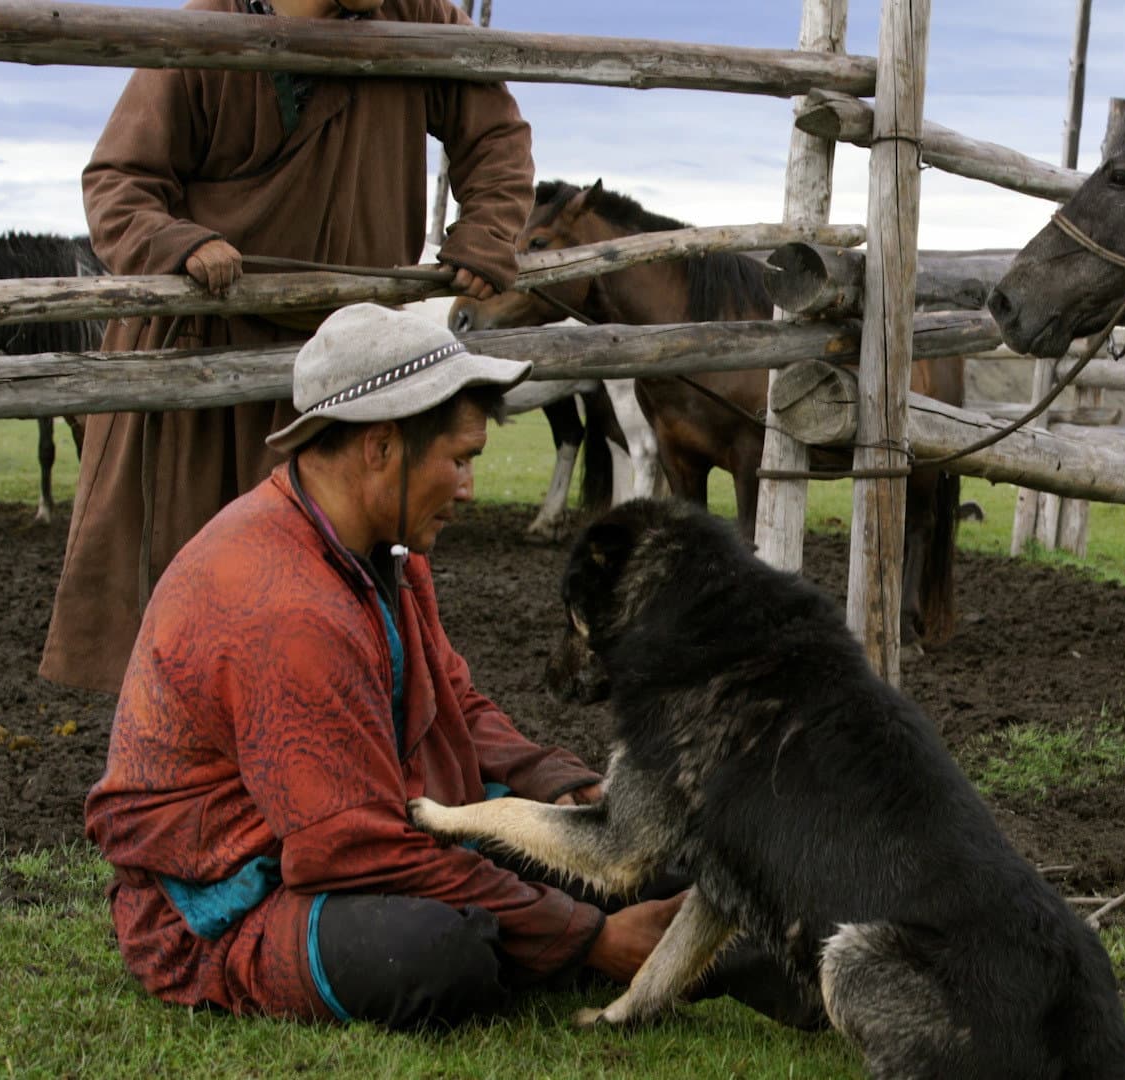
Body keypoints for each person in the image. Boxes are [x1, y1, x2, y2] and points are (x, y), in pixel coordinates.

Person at [84, 303, 684, 1027]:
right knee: (439, 952)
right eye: (459, 460)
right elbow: (355, 849)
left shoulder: (387, 553)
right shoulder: (283, 605)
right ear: (380, 448)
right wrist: (591, 939)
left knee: (639, 862)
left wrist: (568, 789)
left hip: (358, 833)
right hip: (229, 902)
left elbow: (457, 707)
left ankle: (775, 947)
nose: (469, 488)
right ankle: (607, 947)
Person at [42, 0, 533, 694]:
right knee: (200, 600)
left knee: (341, 600)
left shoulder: (416, 18)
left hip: (351, 363)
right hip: (211, 356)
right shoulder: (207, 26)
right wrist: (179, 244)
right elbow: (119, 184)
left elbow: (496, 138)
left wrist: (486, 231)